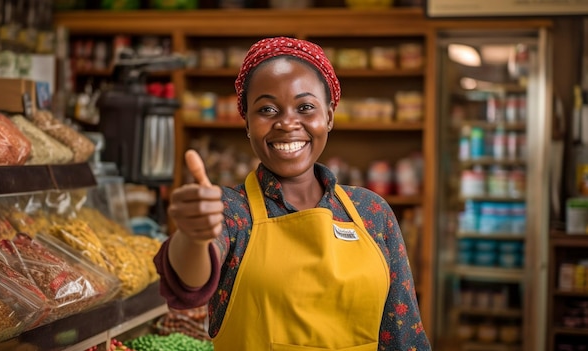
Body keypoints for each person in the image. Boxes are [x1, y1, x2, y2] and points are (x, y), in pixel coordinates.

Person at [154, 36, 430, 350]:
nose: (287, 123)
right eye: (267, 109)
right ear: (246, 122)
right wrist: (192, 236)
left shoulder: (372, 212)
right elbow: (188, 282)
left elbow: (405, 338)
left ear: (328, 116)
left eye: (305, 107)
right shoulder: (230, 210)